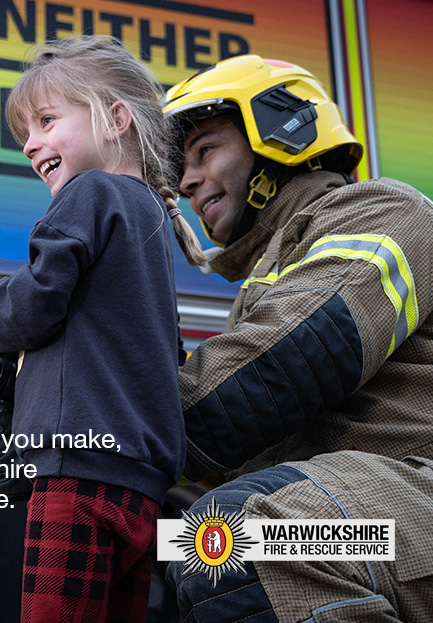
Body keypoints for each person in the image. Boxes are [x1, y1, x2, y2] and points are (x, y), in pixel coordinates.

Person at [163, 54, 433, 621]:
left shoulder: (387, 210)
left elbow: (299, 352)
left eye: (205, 150)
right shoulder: (270, 275)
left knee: (244, 543)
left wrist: (105, 427)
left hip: (417, 494)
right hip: (362, 514)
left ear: (280, 132)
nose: (187, 181)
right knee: (173, 544)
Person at [0, 36, 206, 623]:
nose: (30, 144)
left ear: (116, 119)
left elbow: (37, 298)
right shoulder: (148, 213)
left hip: (77, 473)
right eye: (26, 131)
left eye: (47, 120)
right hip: (140, 488)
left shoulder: (92, 192)